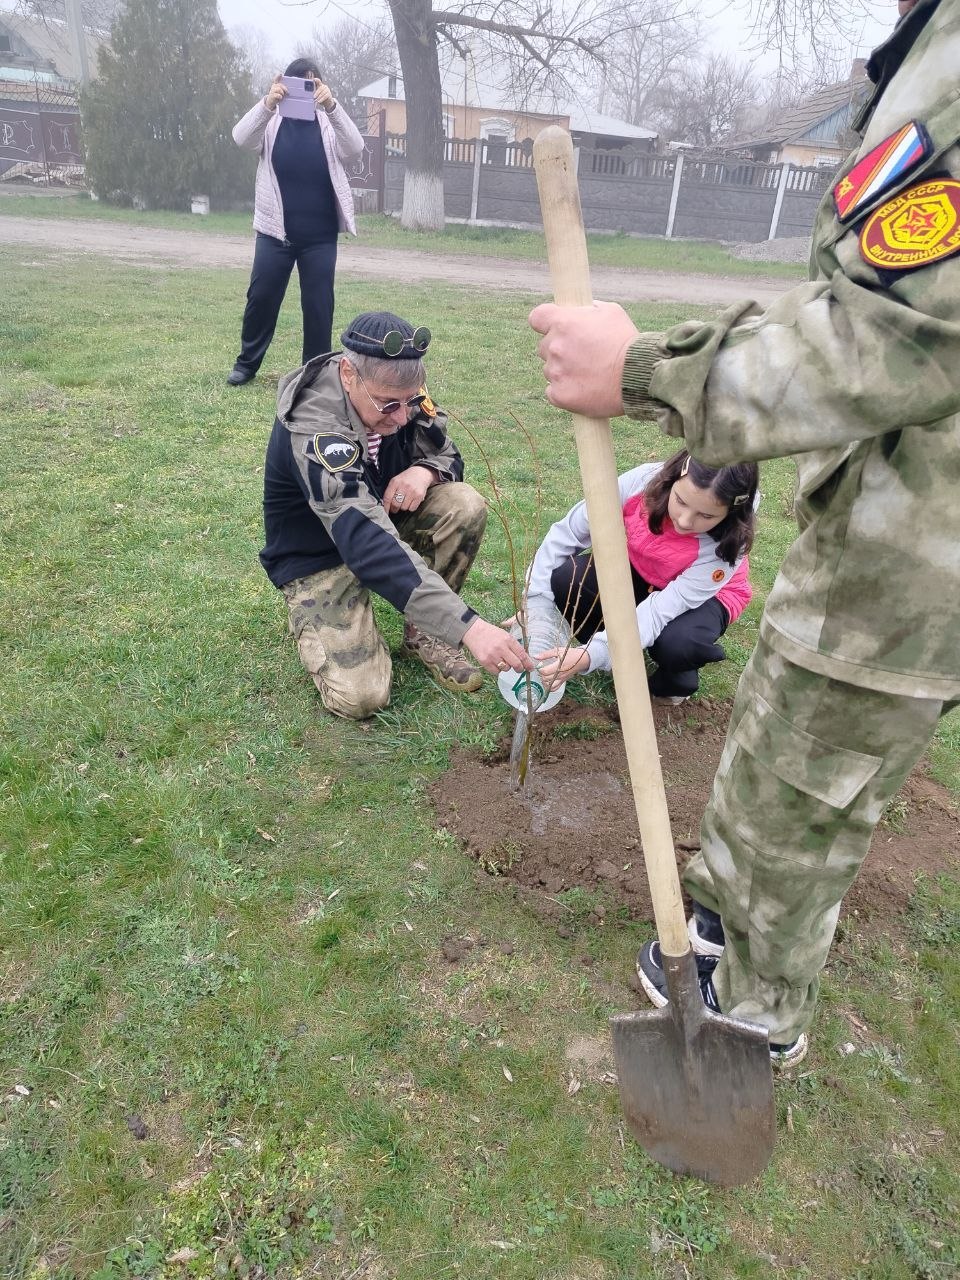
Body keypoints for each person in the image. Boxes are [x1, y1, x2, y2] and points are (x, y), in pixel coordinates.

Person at [528, 0, 960, 1068]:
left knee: (807, 786)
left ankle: (756, 1014)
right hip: (872, 516)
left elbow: (894, 333)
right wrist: (551, 626)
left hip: (922, 545)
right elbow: (561, 542)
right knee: (771, 743)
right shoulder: (931, 43)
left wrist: (648, 370)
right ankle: (723, 918)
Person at [260, 310, 532, 718]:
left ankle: (426, 630)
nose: (404, 417)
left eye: (410, 401)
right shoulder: (315, 426)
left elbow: (446, 451)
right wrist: (470, 628)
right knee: (362, 697)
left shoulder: (395, 391)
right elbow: (364, 539)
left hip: (379, 524)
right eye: (390, 405)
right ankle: (312, 616)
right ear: (349, 374)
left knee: (464, 503)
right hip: (321, 554)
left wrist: (424, 472)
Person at [526, 451, 759, 704]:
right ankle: (618, 650)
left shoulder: (727, 548)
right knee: (567, 579)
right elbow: (568, 533)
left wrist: (593, 655)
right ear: (673, 479)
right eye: (680, 500)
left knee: (678, 644)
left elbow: (659, 610)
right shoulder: (642, 482)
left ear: (730, 513)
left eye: (706, 516)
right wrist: (536, 603)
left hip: (706, 598)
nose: (684, 520)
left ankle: (675, 679)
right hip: (644, 571)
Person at [228, 59, 365, 386]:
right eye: (298, 83)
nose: (306, 90)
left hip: (319, 238)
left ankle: (314, 373)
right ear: (284, 84)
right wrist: (266, 103)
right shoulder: (271, 123)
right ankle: (246, 364)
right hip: (274, 234)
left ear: (320, 87)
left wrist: (332, 106)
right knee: (260, 299)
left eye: (312, 84)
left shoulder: (329, 125)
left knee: (318, 306)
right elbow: (240, 138)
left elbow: (355, 148)